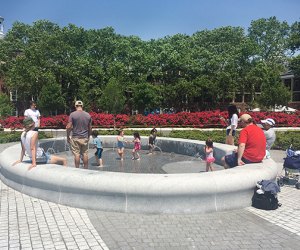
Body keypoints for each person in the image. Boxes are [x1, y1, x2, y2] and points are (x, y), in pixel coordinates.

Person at [66, 100, 92, 169]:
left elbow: (69, 126)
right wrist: (88, 136)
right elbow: (90, 128)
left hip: (75, 137)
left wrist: (68, 136)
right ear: (82, 106)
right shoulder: (88, 115)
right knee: (85, 154)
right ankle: (86, 169)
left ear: (75, 106)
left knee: (77, 154)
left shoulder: (72, 114)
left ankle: (77, 169)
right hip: (85, 137)